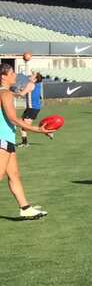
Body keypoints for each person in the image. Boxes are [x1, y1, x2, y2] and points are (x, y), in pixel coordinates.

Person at [0, 62, 48, 218]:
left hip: (7, 139)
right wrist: (38, 130)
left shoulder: (6, 92)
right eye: (12, 73)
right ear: (3, 76)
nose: (15, 75)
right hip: (2, 139)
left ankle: (25, 208)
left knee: (14, 175)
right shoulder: (4, 94)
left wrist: (25, 89)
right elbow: (13, 120)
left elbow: (17, 95)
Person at [17, 72, 49, 147]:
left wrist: (10, 93)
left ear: (35, 79)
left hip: (32, 108)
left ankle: (46, 131)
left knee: (25, 127)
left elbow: (22, 94)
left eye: (33, 75)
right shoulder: (36, 84)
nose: (30, 75)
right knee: (22, 125)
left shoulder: (30, 84)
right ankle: (24, 143)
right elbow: (29, 91)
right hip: (33, 108)